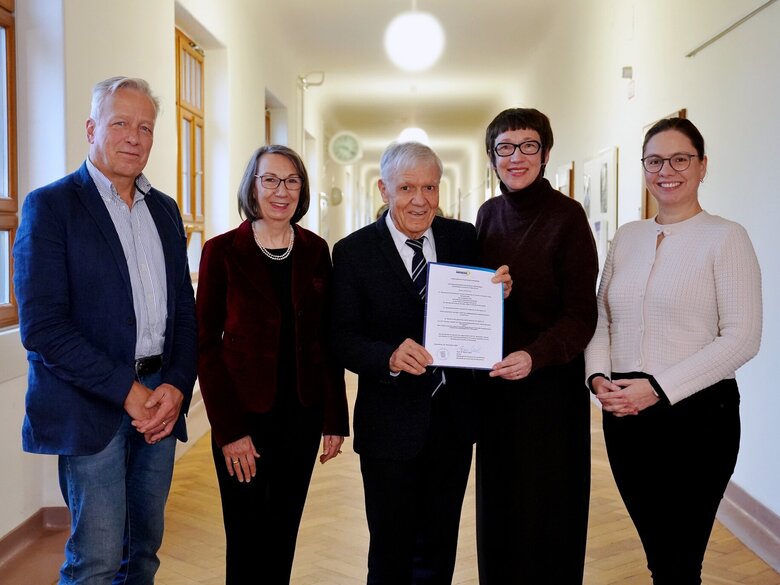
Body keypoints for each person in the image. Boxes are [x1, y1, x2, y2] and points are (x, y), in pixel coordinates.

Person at [13, 76, 197, 584]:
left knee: (143, 555)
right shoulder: (50, 207)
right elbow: (44, 328)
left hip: (160, 400)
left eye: (145, 127)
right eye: (120, 124)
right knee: (94, 562)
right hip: (90, 405)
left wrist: (176, 385)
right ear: (93, 128)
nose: (134, 137)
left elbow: (183, 309)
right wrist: (127, 391)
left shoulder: (164, 210)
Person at [585, 117, 762, 584]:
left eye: (681, 158)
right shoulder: (627, 237)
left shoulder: (726, 237)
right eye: (655, 160)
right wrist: (598, 378)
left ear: (702, 166)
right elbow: (603, 316)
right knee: (659, 554)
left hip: (699, 420)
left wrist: (659, 390)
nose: (667, 170)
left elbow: (742, 337)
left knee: (681, 559)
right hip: (625, 417)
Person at [331, 141, 511, 585]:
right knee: (390, 549)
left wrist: (496, 294)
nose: (419, 199)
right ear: (384, 188)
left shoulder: (463, 238)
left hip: (453, 422)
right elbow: (340, 336)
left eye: (429, 187)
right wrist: (387, 356)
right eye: (407, 187)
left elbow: (478, 315)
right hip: (389, 426)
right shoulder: (353, 252)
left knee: (439, 545)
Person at [196, 144, 349, 584]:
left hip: (300, 417)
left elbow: (326, 340)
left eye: (292, 181)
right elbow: (206, 345)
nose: (281, 191)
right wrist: (229, 432)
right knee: (245, 539)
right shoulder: (222, 252)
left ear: (302, 190)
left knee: (283, 535)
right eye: (271, 180)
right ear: (253, 186)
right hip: (243, 421)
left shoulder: (316, 250)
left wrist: (333, 418)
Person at [475, 108, 598, 584]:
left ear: (546, 154)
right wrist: (493, 294)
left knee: (549, 516)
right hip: (497, 391)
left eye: (529, 146)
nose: (517, 157)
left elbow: (580, 315)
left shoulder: (567, 216)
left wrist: (535, 355)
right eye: (505, 147)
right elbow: (475, 296)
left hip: (550, 391)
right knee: (499, 513)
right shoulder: (487, 214)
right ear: (492, 158)